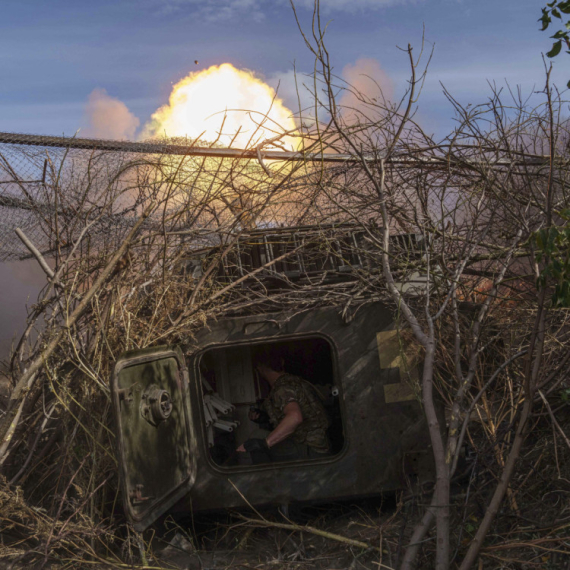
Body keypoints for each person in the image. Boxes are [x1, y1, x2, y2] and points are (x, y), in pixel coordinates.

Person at [236, 350, 331, 463]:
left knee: (257, 437)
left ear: (260, 368)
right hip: (321, 445)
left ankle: (266, 479)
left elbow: (295, 417)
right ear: (282, 362)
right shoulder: (296, 381)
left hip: (308, 449)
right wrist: (264, 417)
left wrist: (265, 443)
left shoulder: (282, 388)